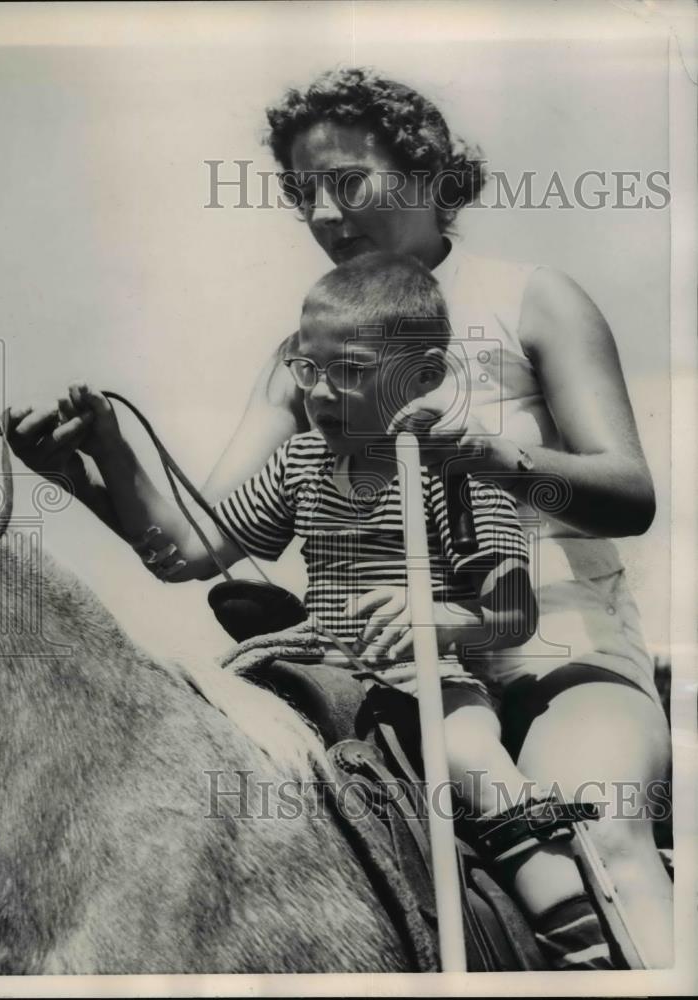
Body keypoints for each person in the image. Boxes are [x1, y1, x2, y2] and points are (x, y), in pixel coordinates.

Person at [5, 67, 672, 967]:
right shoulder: (307, 355)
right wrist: (93, 467)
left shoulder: (532, 298)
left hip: (553, 649)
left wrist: (484, 455)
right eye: (299, 193)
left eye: (346, 182)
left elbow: (628, 495)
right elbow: (200, 542)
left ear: (429, 171)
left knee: (599, 824)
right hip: (375, 668)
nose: (322, 215)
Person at [47, 252, 622, 969]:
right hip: (313, 665)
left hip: (430, 681)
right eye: (306, 370)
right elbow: (193, 551)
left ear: (423, 376)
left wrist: (429, 616)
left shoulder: (455, 472)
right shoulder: (301, 464)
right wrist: (110, 451)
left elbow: (510, 614)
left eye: (348, 371)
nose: (320, 393)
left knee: (472, 757)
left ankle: (580, 934)